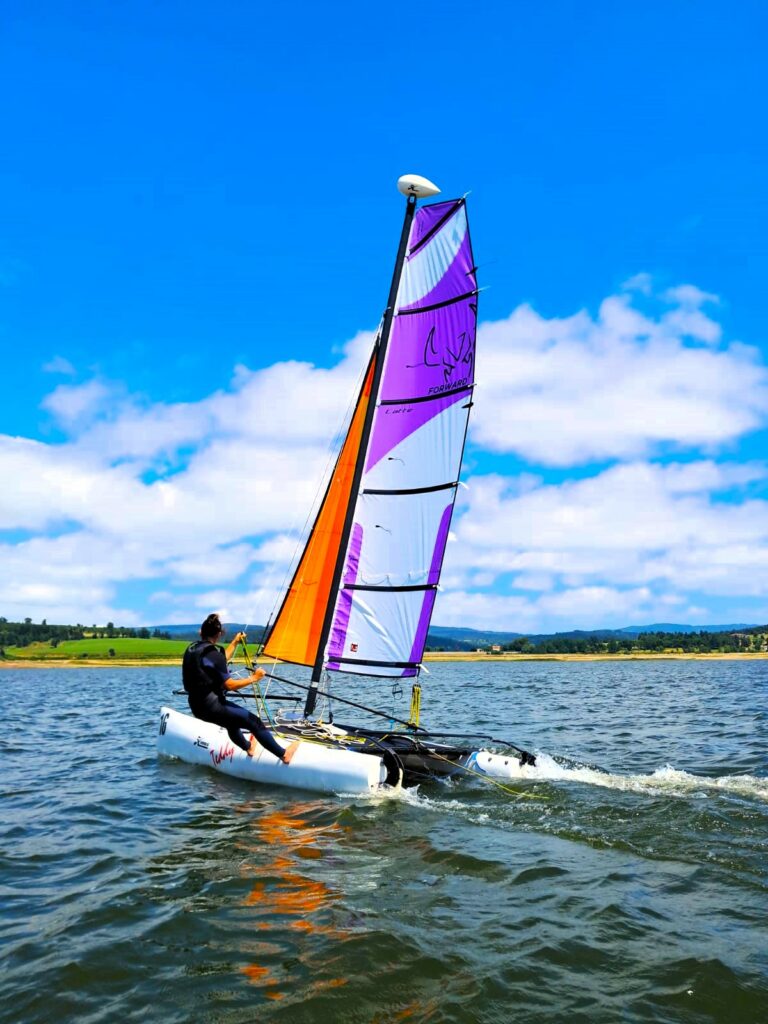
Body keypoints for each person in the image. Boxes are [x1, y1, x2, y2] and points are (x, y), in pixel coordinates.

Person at [183, 613, 299, 763]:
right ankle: (284, 755)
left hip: (196, 706)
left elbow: (220, 660)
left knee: (231, 722)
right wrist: (254, 678)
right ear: (219, 634)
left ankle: (248, 747)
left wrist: (235, 641)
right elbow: (229, 685)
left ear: (201, 632)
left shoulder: (193, 650)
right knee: (254, 722)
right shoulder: (212, 654)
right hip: (213, 706)